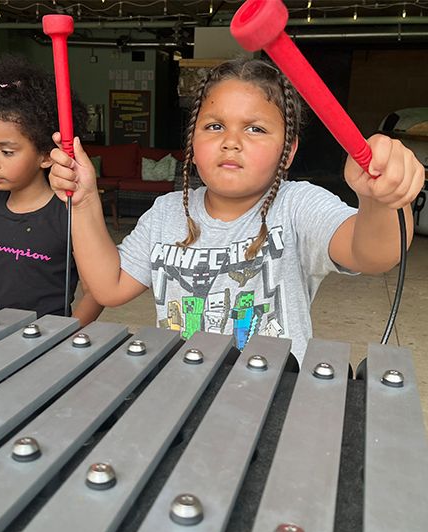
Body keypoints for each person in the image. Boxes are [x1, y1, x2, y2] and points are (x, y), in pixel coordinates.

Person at [48, 57, 424, 362]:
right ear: (192, 145)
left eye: (256, 129)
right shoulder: (165, 214)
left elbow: (374, 254)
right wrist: (83, 201)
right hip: (182, 390)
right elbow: (107, 287)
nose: (231, 142)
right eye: (213, 126)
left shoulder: (296, 205)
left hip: (274, 396)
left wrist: (382, 198)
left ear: (288, 151)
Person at [0, 55, 103, 326]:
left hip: (47, 342)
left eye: (7, 151)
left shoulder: (69, 214)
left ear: (47, 156)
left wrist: (68, 334)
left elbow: (97, 292)